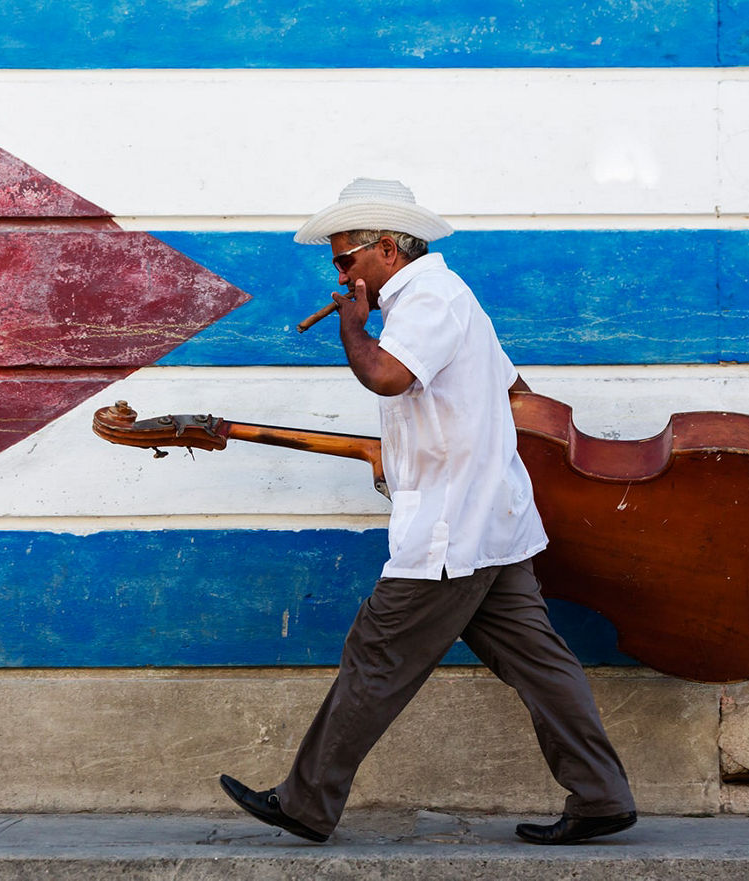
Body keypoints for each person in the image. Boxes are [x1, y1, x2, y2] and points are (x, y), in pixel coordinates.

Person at [219, 178, 636, 845]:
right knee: (538, 660)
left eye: (344, 260)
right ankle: (601, 793)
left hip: (450, 531)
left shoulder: (425, 300)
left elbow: (388, 376)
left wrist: (355, 331)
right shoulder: (450, 297)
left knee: (376, 653)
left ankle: (305, 801)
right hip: (490, 522)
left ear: (386, 248)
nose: (339, 274)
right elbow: (512, 388)